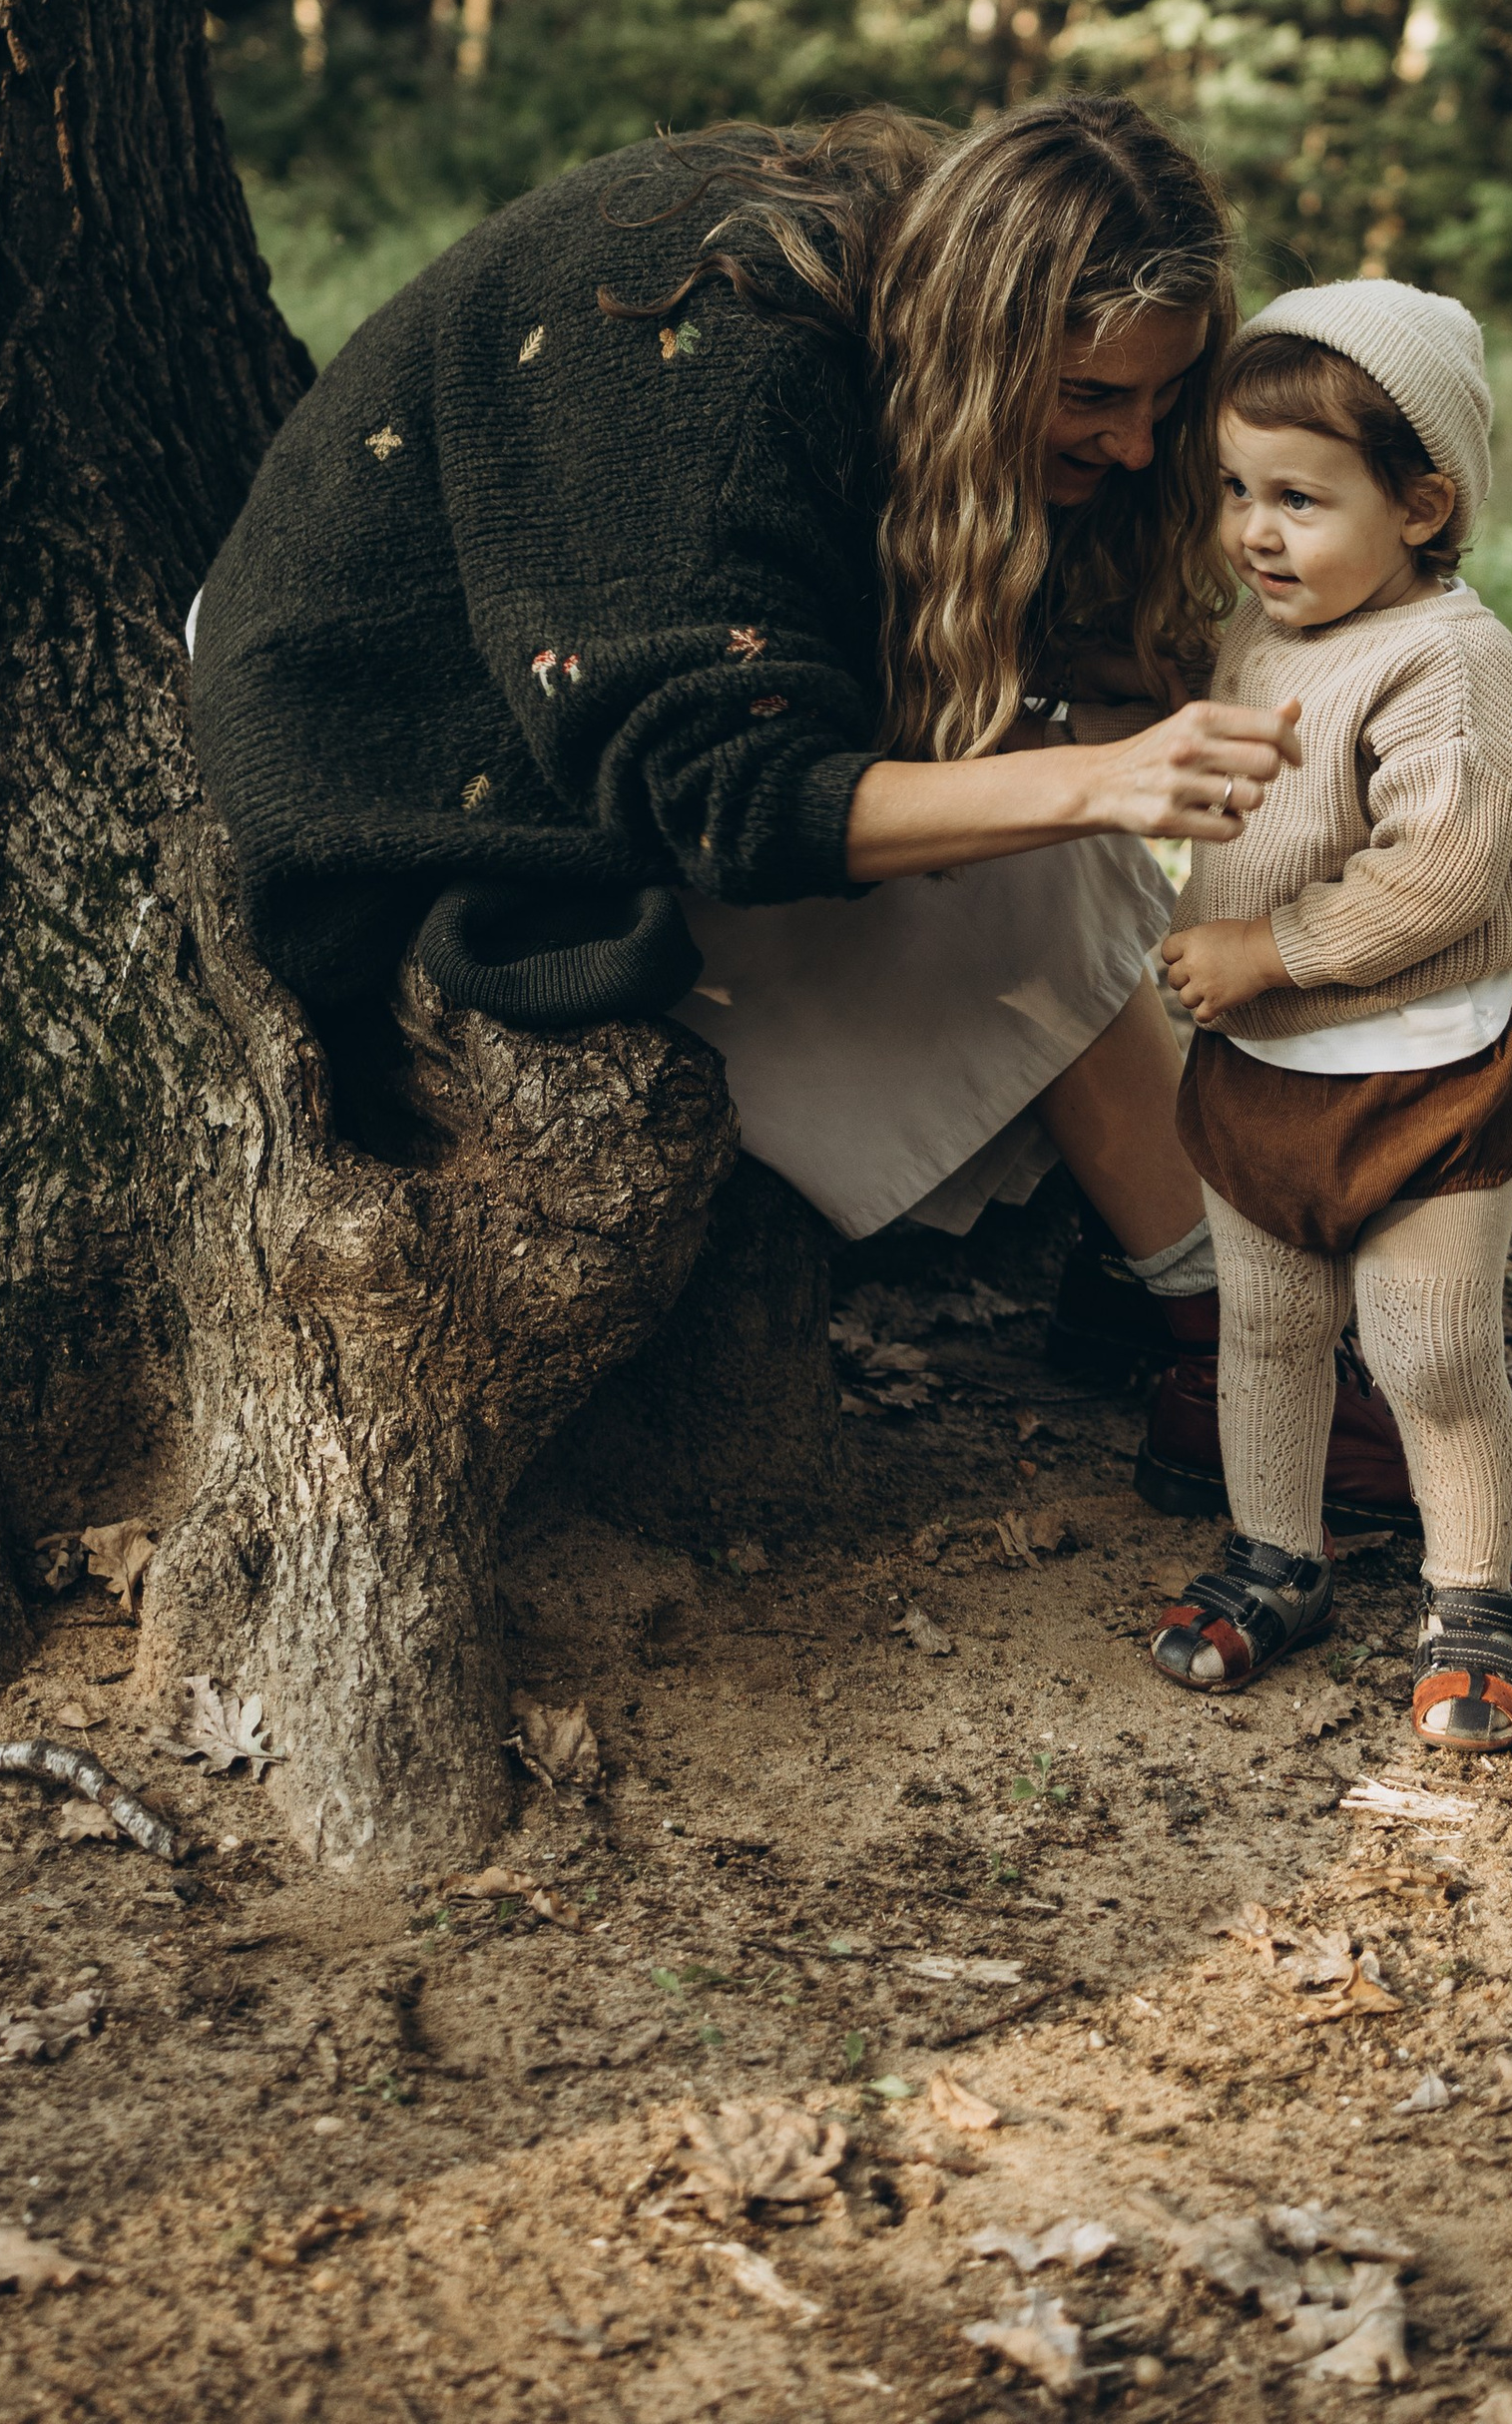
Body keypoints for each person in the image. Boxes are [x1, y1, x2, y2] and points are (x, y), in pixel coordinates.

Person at [186, 102, 1401, 1514]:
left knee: (1052, 810)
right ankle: (1222, 1332)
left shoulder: (902, 271)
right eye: (1089, 397)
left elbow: (934, 640)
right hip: (381, 747)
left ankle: (1174, 1264)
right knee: (1022, 870)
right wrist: (1095, 776)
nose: (1134, 447)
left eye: (1159, 400)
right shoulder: (723, 374)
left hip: (543, 682)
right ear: (983, 345)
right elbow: (724, 802)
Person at [1148, 281, 1512, 1748]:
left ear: (1421, 504)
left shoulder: (1448, 668)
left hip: (1423, 1080)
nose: (1254, 530)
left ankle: (1473, 1601)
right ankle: (1278, 1557)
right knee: (1265, 1333)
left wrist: (1268, 945)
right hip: (1266, 1070)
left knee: (1433, 1353)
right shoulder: (1273, 627)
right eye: (1235, 490)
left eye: (1300, 498)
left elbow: (1442, 877)